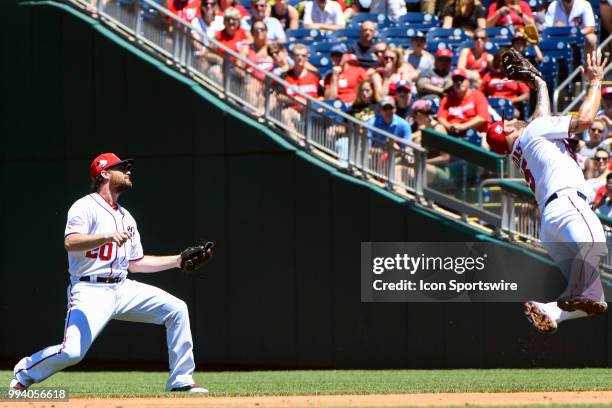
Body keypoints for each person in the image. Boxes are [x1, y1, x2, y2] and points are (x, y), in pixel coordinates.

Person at [9, 153, 212, 392]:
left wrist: (177, 261)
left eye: (128, 167)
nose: (128, 171)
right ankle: (24, 372)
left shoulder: (127, 217)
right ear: (104, 173)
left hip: (122, 287)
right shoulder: (85, 206)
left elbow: (135, 263)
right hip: (90, 289)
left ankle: (181, 381)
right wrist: (105, 237)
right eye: (122, 167)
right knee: (72, 352)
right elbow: (71, 242)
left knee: (177, 309)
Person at [485, 51, 609, 333]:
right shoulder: (534, 131)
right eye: (509, 121)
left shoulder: (525, 146)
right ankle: (577, 288)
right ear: (506, 130)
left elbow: (540, 118)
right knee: (595, 245)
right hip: (568, 205)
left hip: (551, 224)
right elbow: (587, 119)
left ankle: (549, 310)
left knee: (596, 297)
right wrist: (595, 82)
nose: (516, 119)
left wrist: (540, 84)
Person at [438, 68, 491, 138]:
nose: (459, 82)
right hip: (453, 132)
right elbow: (441, 117)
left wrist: (463, 126)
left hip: (476, 133)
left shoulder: (477, 95)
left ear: (468, 81)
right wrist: (449, 127)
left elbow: (482, 117)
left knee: (484, 139)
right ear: (453, 83)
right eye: (456, 80)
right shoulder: (447, 99)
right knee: (439, 128)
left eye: (461, 79)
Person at [479, 50, 530, 115]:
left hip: (510, 107)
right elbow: (480, 94)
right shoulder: (488, 76)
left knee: (515, 114)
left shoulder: (516, 76)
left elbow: (526, 95)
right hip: (492, 107)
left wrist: (512, 100)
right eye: (501, 60)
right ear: (497, 62)